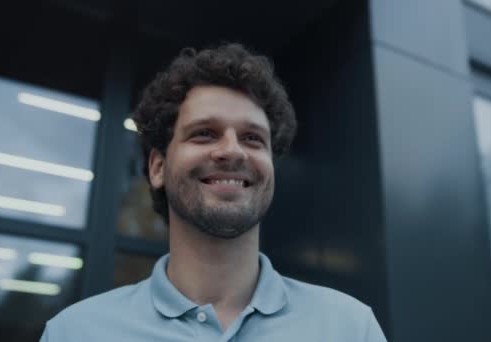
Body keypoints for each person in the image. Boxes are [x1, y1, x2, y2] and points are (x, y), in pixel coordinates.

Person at [39, 43, 387, 342]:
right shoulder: (75, 333)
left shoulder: (350, 328)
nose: (233, 151)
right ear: (157, 167)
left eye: (252, 138)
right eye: (205, 133)